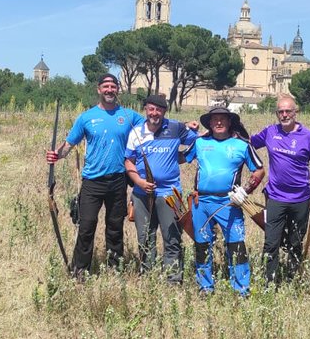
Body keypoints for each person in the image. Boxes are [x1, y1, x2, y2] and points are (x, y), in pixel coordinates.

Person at [46, 73, 144, 279]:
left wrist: (183, 127)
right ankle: (80, 271)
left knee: (115, 228)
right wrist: (56, 154)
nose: (110, 90)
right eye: (105, 86)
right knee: (87, 226)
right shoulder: (86, 117)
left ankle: (115, 269)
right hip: (92, 182)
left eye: (113, 86)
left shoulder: (128, 116)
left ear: (118, 90)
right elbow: (68, 146)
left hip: (118, 180)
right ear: (98, 89)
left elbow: (154, 125)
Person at [183, 107, 264, 296]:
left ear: (229, 122)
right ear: (209, 124)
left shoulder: (242, 145)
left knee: (236, 246)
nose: (218, 123)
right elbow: (180, 158)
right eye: (215, 120)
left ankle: (241, 290)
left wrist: (245, 190)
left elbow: (259, 170)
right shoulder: (200, 142)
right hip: (201, 202)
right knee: (202, 245)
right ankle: (205, 287)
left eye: (222, 119)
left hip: (230, 203)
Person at [248, 94, 310, 285]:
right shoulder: (270, 132)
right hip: (275, 197)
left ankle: (292, 280)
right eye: (280, 111)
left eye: (288, 111)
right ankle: (269, 283)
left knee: (295, 243)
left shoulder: (309, 137)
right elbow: (248, 142)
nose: (284, 114)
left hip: (301, 199)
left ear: (296, 112)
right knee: (271, 243)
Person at [123, 93, 197, 284]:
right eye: (150, 109)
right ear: (146, 110)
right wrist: (138, 182)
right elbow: (129, 161)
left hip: (173, 194)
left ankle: (173, 281)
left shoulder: (176, 128)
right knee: (145, 238)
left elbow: (198, 143)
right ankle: (148, 279)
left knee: (173, 238)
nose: (154, 113)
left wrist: (184, 157)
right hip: (141, 195)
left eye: (158, 109)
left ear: (164, 111)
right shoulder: (136, 132)